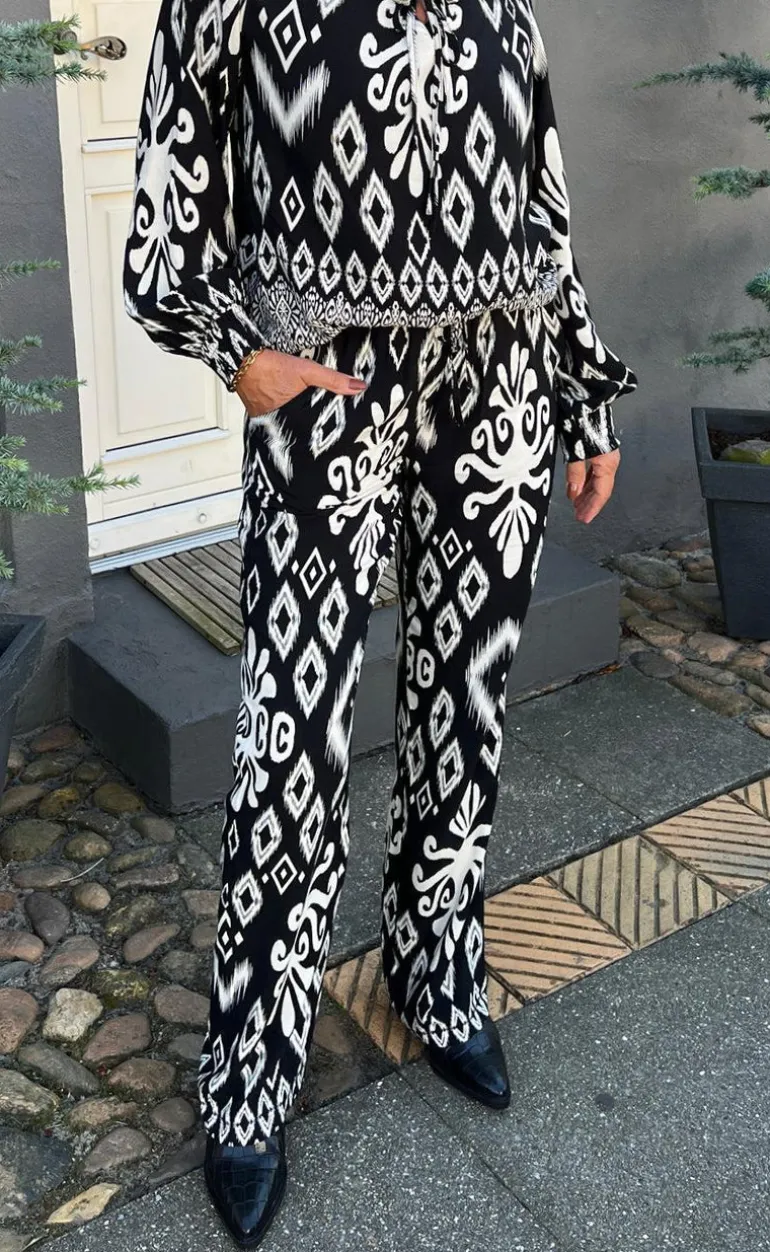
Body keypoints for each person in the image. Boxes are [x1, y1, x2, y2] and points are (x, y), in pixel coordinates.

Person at [123, 0, 638, 1243]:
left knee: (468, 690)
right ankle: (252, 1062)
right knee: (292, 726)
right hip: (326, 380)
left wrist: (578, 390)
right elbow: (167, 184)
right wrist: (233, 348)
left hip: (499, 377)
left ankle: (435, 965)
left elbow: (541, 199)